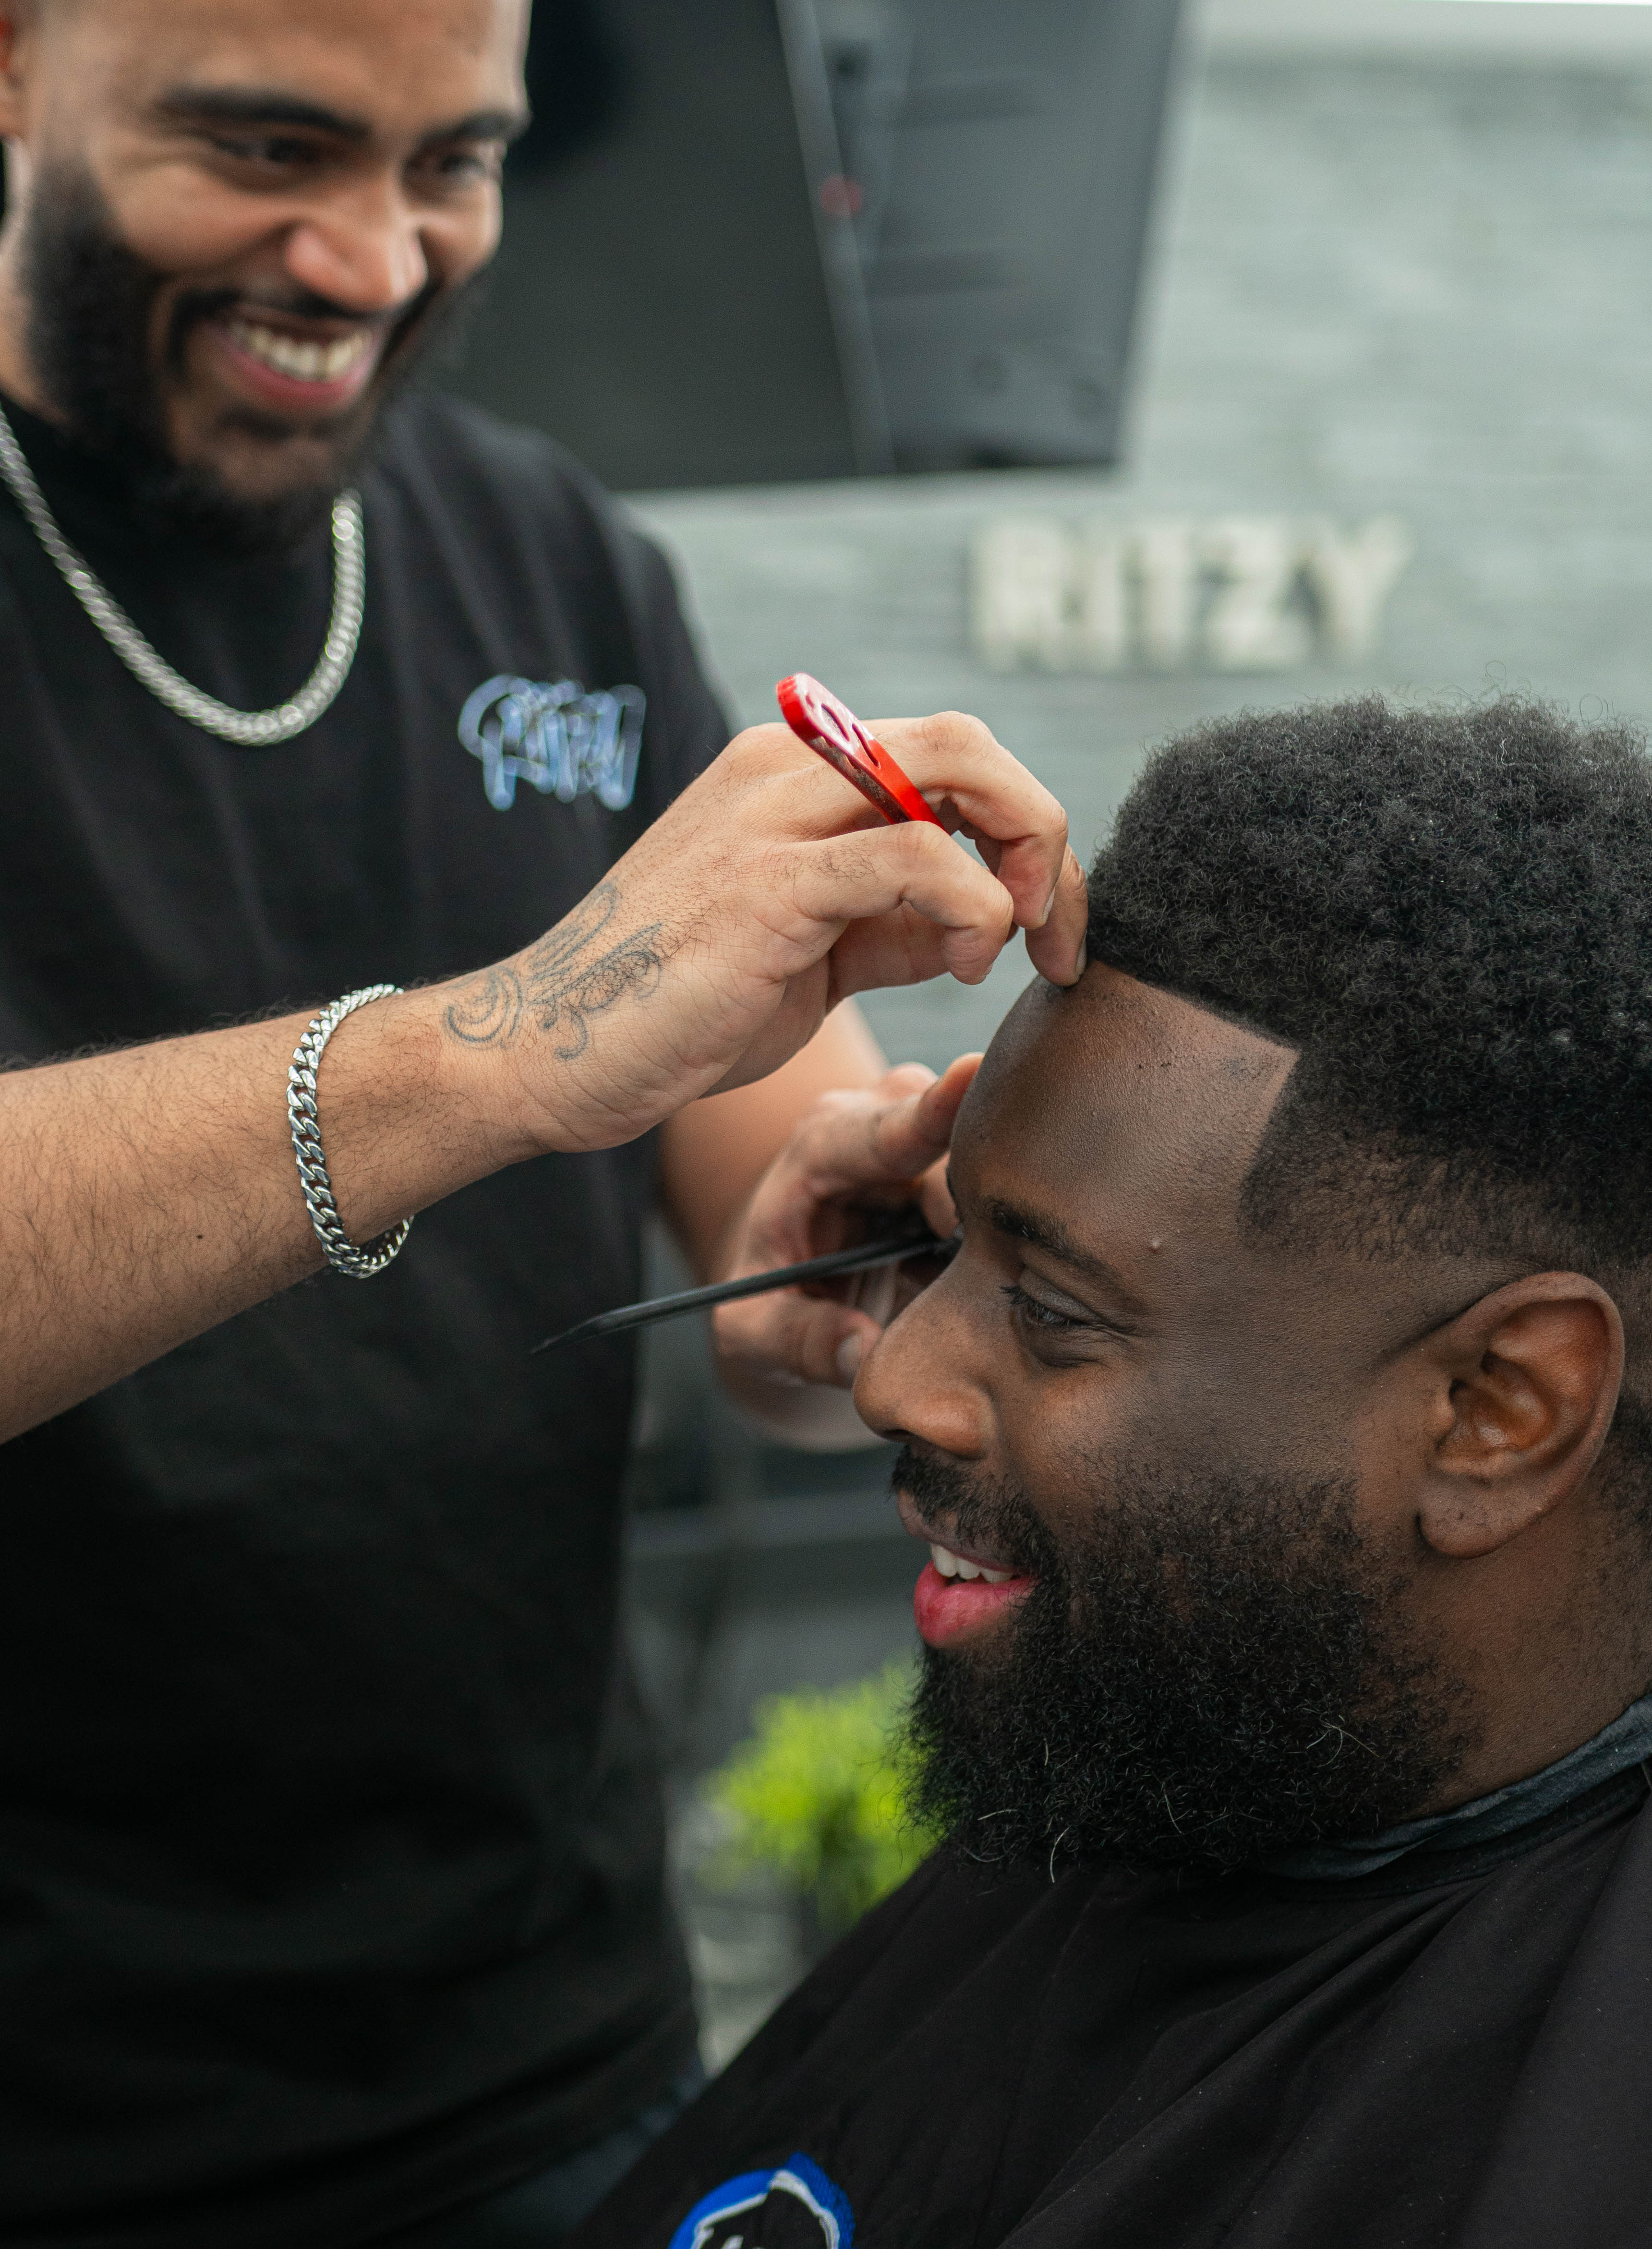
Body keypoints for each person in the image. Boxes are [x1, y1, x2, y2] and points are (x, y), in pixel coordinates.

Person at [0, 2, 1089, 2245]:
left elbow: (765, 1231)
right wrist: (483, 1052)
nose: (376, 261)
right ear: (18, 61)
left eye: (455, 165)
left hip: (547, 2064)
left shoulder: (550, 555)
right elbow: (535, 1046)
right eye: (270, 143)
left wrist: (871, 1238)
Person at [583, 695, 1652, 2249]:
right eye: (946, 1249)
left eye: (1056, 1310)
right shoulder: (1183, 1728)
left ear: (1496, 1409)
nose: (889, 1374)